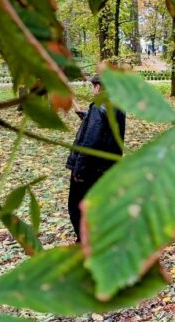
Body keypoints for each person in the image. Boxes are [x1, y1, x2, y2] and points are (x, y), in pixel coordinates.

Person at [66, 75, 125, 241]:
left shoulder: (99, 108)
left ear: (98, 87)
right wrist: (87, 117)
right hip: (107, 168)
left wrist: (78, 171)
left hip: (91, 169)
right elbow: (106, 129)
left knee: (77, 207)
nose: (93, 90)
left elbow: (90, 142)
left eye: (93, 86)